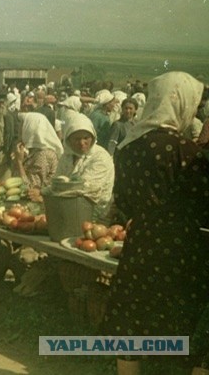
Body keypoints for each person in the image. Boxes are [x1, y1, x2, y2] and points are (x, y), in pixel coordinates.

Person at [102, 72, 209, 375]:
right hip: (180, 248)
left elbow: (122, 201)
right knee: (180, 321)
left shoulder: (128, 148)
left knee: (133, 316)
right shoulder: (185, 152)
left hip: (141, 242)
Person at [55, 113, 115, 222]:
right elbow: (57, 180)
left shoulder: (100, 157)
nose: (82, 143)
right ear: (68, 140)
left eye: (86, 138)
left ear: (93, 137)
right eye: (77, 139)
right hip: (69, 211)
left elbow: (86, 189)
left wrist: (56, 191)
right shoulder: (67, 156)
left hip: (96, 215)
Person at [12, 112, 63, 195]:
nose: (20, 130)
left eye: (23, 125)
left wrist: (19, 162)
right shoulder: (36, 150)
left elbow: (29, 188)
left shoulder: (43, 155)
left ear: (29, 129)